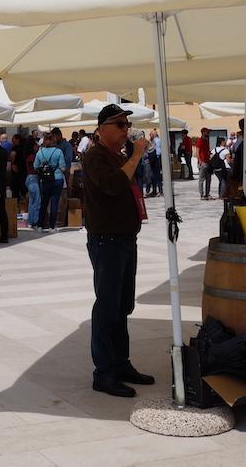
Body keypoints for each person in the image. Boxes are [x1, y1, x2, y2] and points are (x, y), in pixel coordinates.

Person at [81, 103, 155, 397]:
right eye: (120, 125)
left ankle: (121, 363)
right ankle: (104, 373)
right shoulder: (95, 157)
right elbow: (113, 186)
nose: (126, 129)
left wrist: (132, 156)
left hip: (124, 239)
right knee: (107, 307)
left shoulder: (116, 155)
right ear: (102, 129)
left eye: (127, 124)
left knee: (123, 306)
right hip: (107, 241)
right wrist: (137, 155)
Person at [34, 132, 68, 232]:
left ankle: (40, 225)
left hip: (45, 180)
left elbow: (35, 166)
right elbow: (63, 167)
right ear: (54, 140)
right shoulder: (58, 151)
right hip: (57, 179)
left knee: (44, 203)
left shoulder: (40, 152)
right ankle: (52, 227)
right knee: (54, 203)